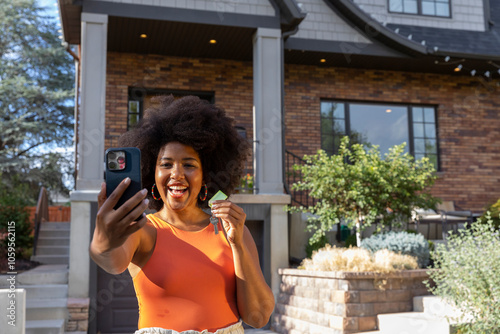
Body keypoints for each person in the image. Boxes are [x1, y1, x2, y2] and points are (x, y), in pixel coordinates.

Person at [90, 95, 275, 334]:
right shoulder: (143, 230)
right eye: (166, 164)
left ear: (205, 176)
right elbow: (111, 261)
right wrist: (103, 238)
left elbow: (258, 317)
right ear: (152, 174)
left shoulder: (232, 231)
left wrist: (237, 244)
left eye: (189, 164)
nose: (177, 174)